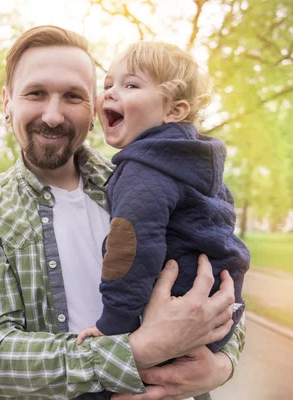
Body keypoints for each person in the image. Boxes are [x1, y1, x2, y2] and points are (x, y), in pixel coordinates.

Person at [0, 25, 244, 400]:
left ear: (94, 109)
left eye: (72, 96)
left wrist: (222, 366)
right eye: (36, 93)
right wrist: (141, 350)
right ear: (8, 103)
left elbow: (223, 269)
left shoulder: (145, 180)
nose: (53, 116)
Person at [76, 41, 249, 353]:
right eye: (108, 84)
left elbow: (131, 246)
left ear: (173, 110)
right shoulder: (195, 161)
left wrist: (115, 322)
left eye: (131, 85)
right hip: (220, 309)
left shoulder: (145, 166)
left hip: (179, 309)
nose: (111, 92)